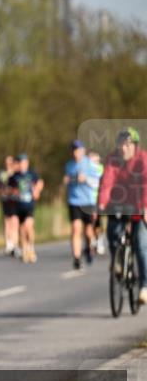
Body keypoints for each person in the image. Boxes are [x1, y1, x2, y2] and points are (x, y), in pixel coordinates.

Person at [97, 127, 147, 305]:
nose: (123, 149)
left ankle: (144, 287)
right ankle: (117, 260)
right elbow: (107, 182)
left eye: (127, 145)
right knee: (112, 233)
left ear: (135, 146)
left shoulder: (143, 159)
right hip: (119, 203)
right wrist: (101, 204)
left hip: (140, 203)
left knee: (141, 244)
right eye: (120, 145)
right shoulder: (112, 159)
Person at [63, 140, 100, 270]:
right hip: (74, 201)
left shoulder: (90, 164)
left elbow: (96, 183)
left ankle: (89, 248)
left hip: (88, 202)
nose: (75, 153)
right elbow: (67, 180)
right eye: (73, 150)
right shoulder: (69, 165)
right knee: (75, 228)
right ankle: (77, 258)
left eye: (78, 150)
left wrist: (86, 179)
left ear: (83, 151)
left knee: (89, 232)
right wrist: (67, 181)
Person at [8, 154, 43, 263]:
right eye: (19, 162)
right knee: (22, 229)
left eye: (23, 162)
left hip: (29, 205)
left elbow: (40, 182)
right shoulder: (14, 176)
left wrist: (37, 191)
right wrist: (13, 192)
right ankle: (24, 250)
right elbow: (9, 189)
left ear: (26, 163)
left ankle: (31, 247)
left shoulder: (32, 174)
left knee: (28, 226)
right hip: (18, 205)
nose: (21, 165)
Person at [0, 155, 18, 256]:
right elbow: (0, 186)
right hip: (5, 199)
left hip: (15, 200)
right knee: (7, 222)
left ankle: (15, 243)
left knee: (14, 221)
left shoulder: (16, 173)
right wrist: (5, 191)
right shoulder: (2, 174)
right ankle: (8, 244)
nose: (8, 164)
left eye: (9, 162)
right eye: (6, 162)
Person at [88, 150, 107, 255]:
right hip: (87, 199)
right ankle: (92, 241)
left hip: (98, 199)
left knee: (97, 221)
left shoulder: (101, 169)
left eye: (94, 158)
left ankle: (99, 241)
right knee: (89, 222)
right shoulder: (86, 169)